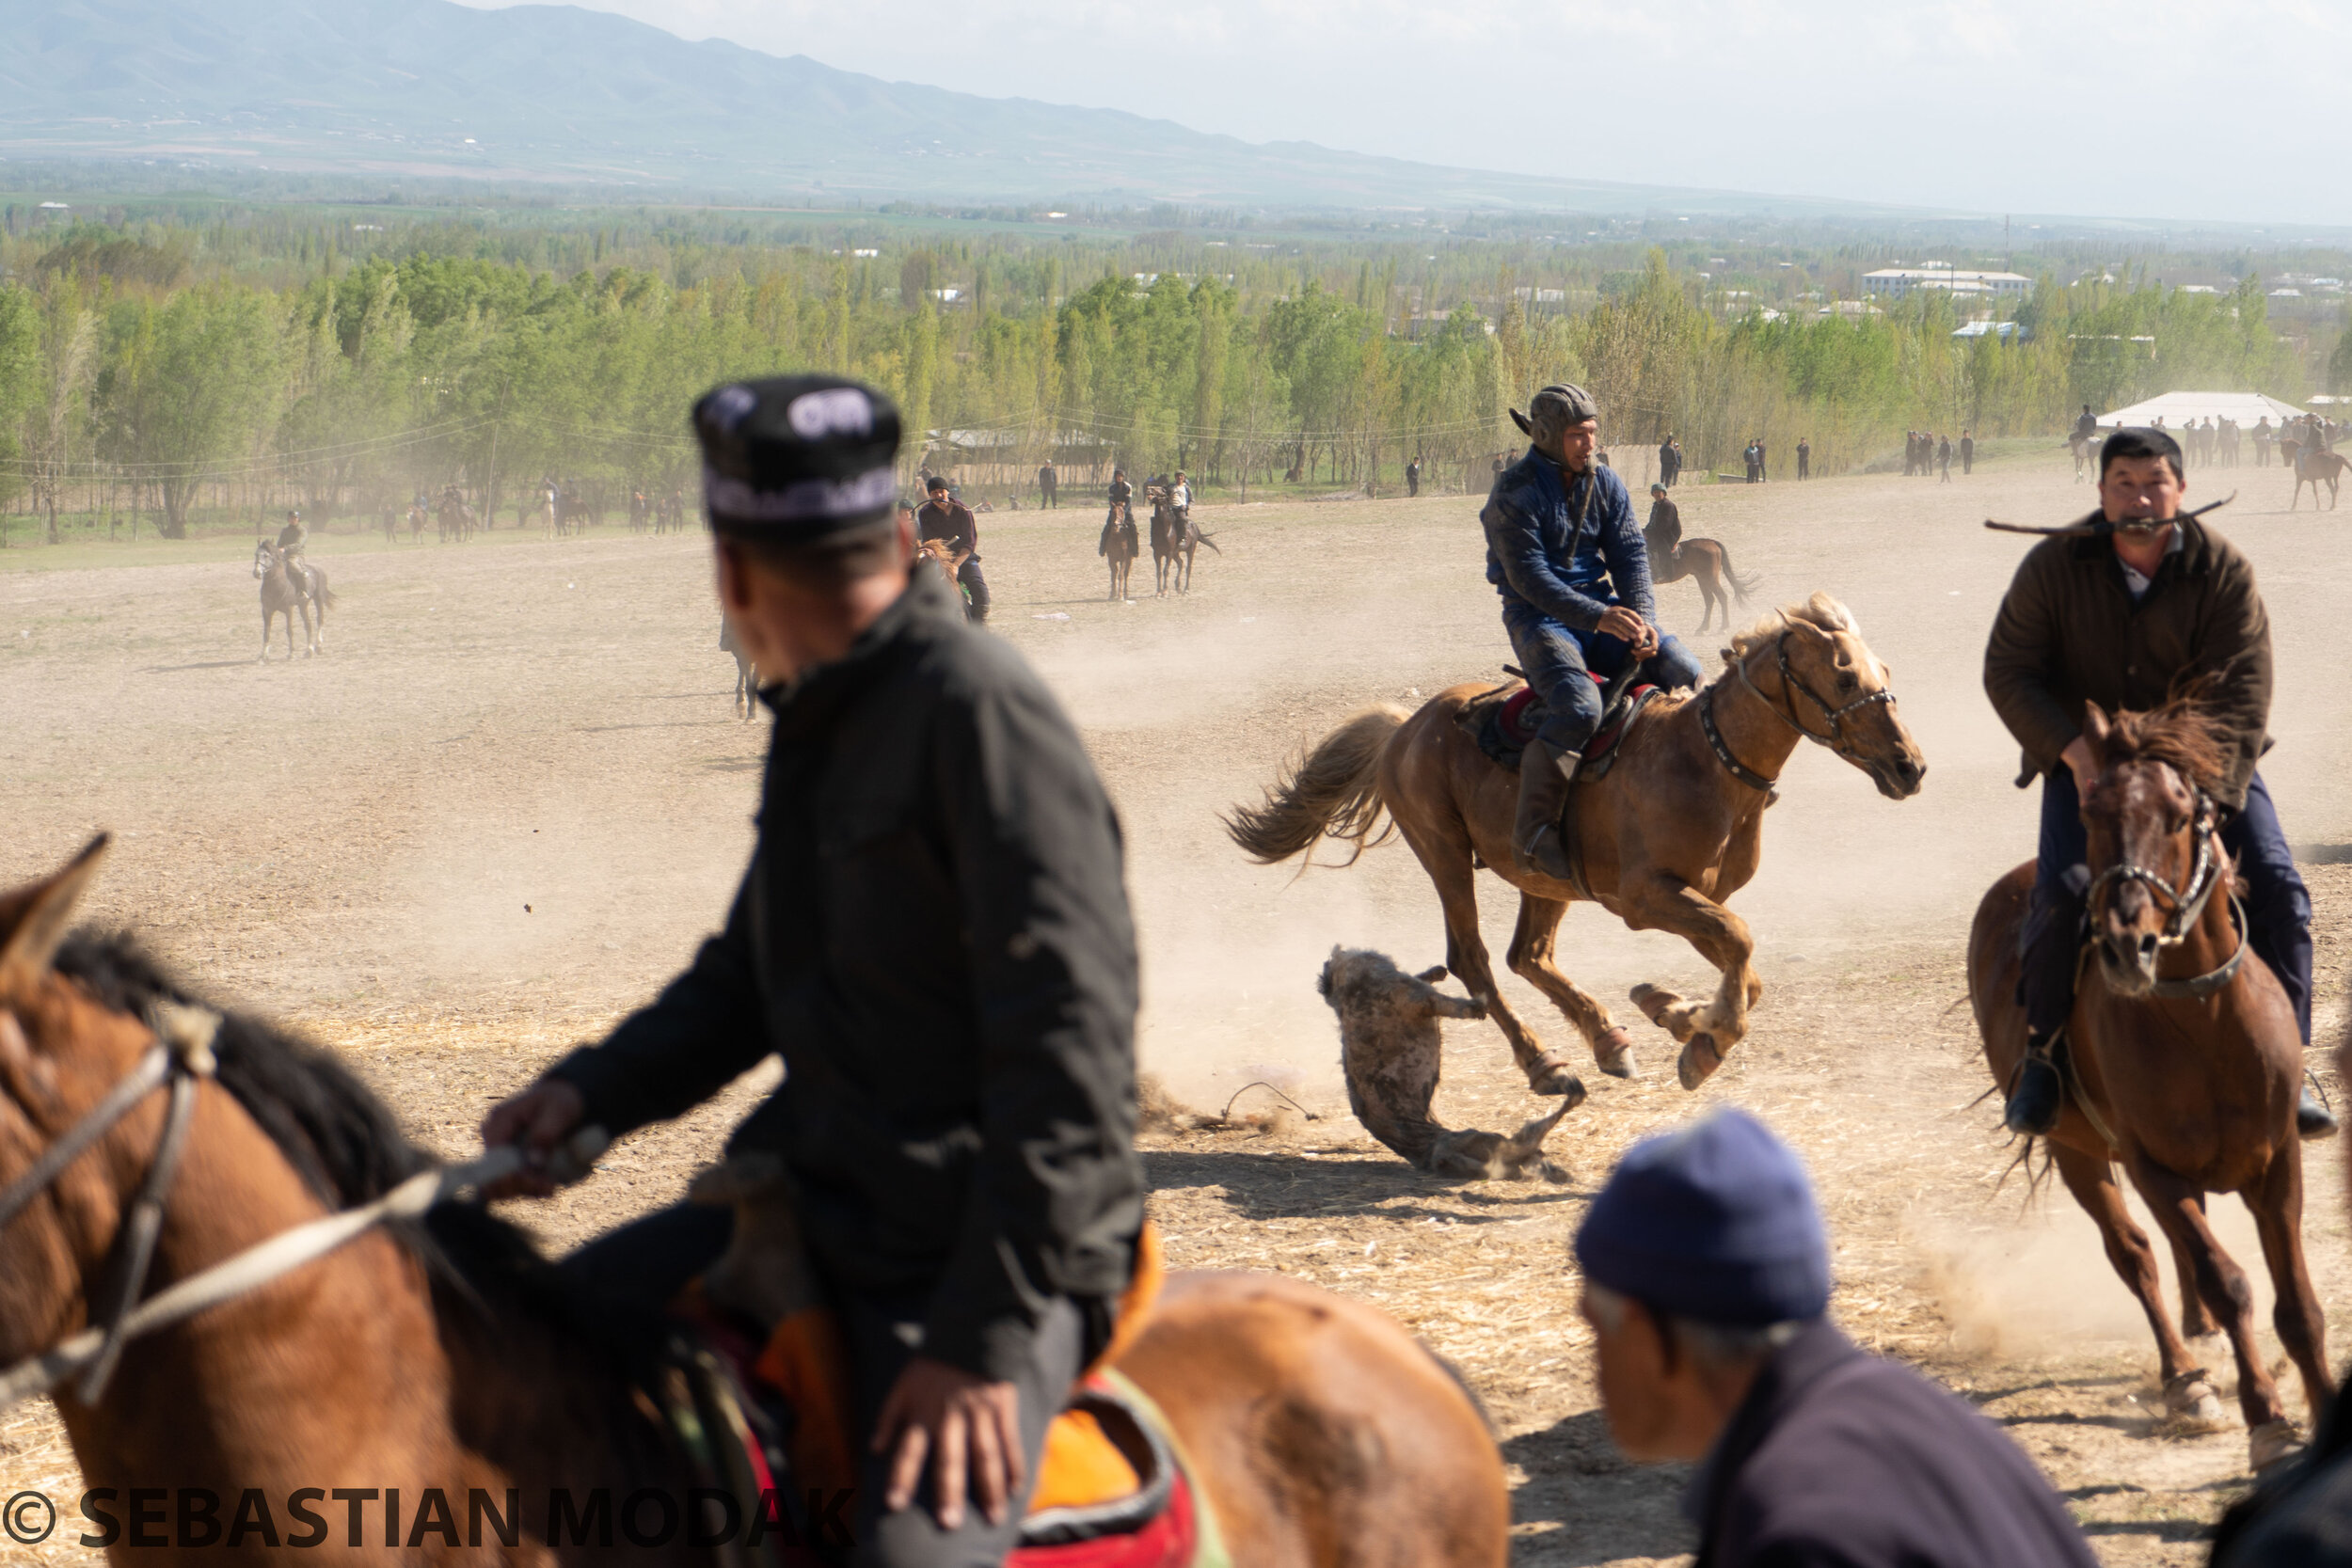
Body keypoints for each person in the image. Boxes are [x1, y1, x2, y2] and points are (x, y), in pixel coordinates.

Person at [478, 373, 1144, 1568]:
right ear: (902, 538)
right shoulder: (819, 714)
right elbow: (745, 975)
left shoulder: (980, 717)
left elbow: (1070, 1075)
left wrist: (979, 1344)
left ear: (728, 579)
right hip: (823, 1198)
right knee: (522, 1368)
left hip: (994, 1248)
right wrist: (589, 1094)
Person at [1983, 425, 2335, 1140]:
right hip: (2090, 768)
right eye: (2124, 485)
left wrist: (2201, 784)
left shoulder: (2223, 569)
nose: (2140, 499)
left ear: (2180, 489)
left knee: (2279, 887)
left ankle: (2291, 1062)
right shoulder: (2053, 567)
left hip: (2203, 768)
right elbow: (2009, 670)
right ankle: (2047, 1054)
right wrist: (2072, 753)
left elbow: (2246, 689)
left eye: (2154, 484)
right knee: (2058, 897)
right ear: (2101, 492)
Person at [1576, 1108, 2102, 1568]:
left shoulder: (1798, 1535)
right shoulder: (1924, 1413)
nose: (1595, 1368)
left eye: (1595, 1327)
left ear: (1646, 1336)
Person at [1483, 383, 1704, 882]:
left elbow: (1629, 555)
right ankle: (1535, 834)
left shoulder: (1605, 483)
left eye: (1593, 433)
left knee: (1685, 670)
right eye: (1578, 435)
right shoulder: (1512, 494)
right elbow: (1530, 580)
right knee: (1580, 706)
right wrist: (1600, 617)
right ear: (1545, 435)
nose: (1589, 444)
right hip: (1538, 618)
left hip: (1605, 612)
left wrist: (1641, 617)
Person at [915, 473, 990, 624]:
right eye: (934, 493)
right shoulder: (925, 513)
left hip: (965, 558)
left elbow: (969, 542)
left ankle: (978, 628)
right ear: (929, 495)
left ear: (948, 492)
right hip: (941, 561)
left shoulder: (963, 510)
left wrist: (955, 565)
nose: (938, 495)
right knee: (954, 600)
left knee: (982, 596)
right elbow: (930, 542)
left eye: (941, 491)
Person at [1645, 483, 1682, 567]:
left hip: (1668, 534)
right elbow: (1652, 522)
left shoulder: (1667, 505)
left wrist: (1650, 534)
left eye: (1659, 492)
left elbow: (1665, 525)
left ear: (1664, 493)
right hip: (1658, 532)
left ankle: (1660, 573)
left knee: (1650, 546)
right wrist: (1644, 531)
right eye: (1655, 492)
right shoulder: (1656, 505)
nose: (1657, 494)